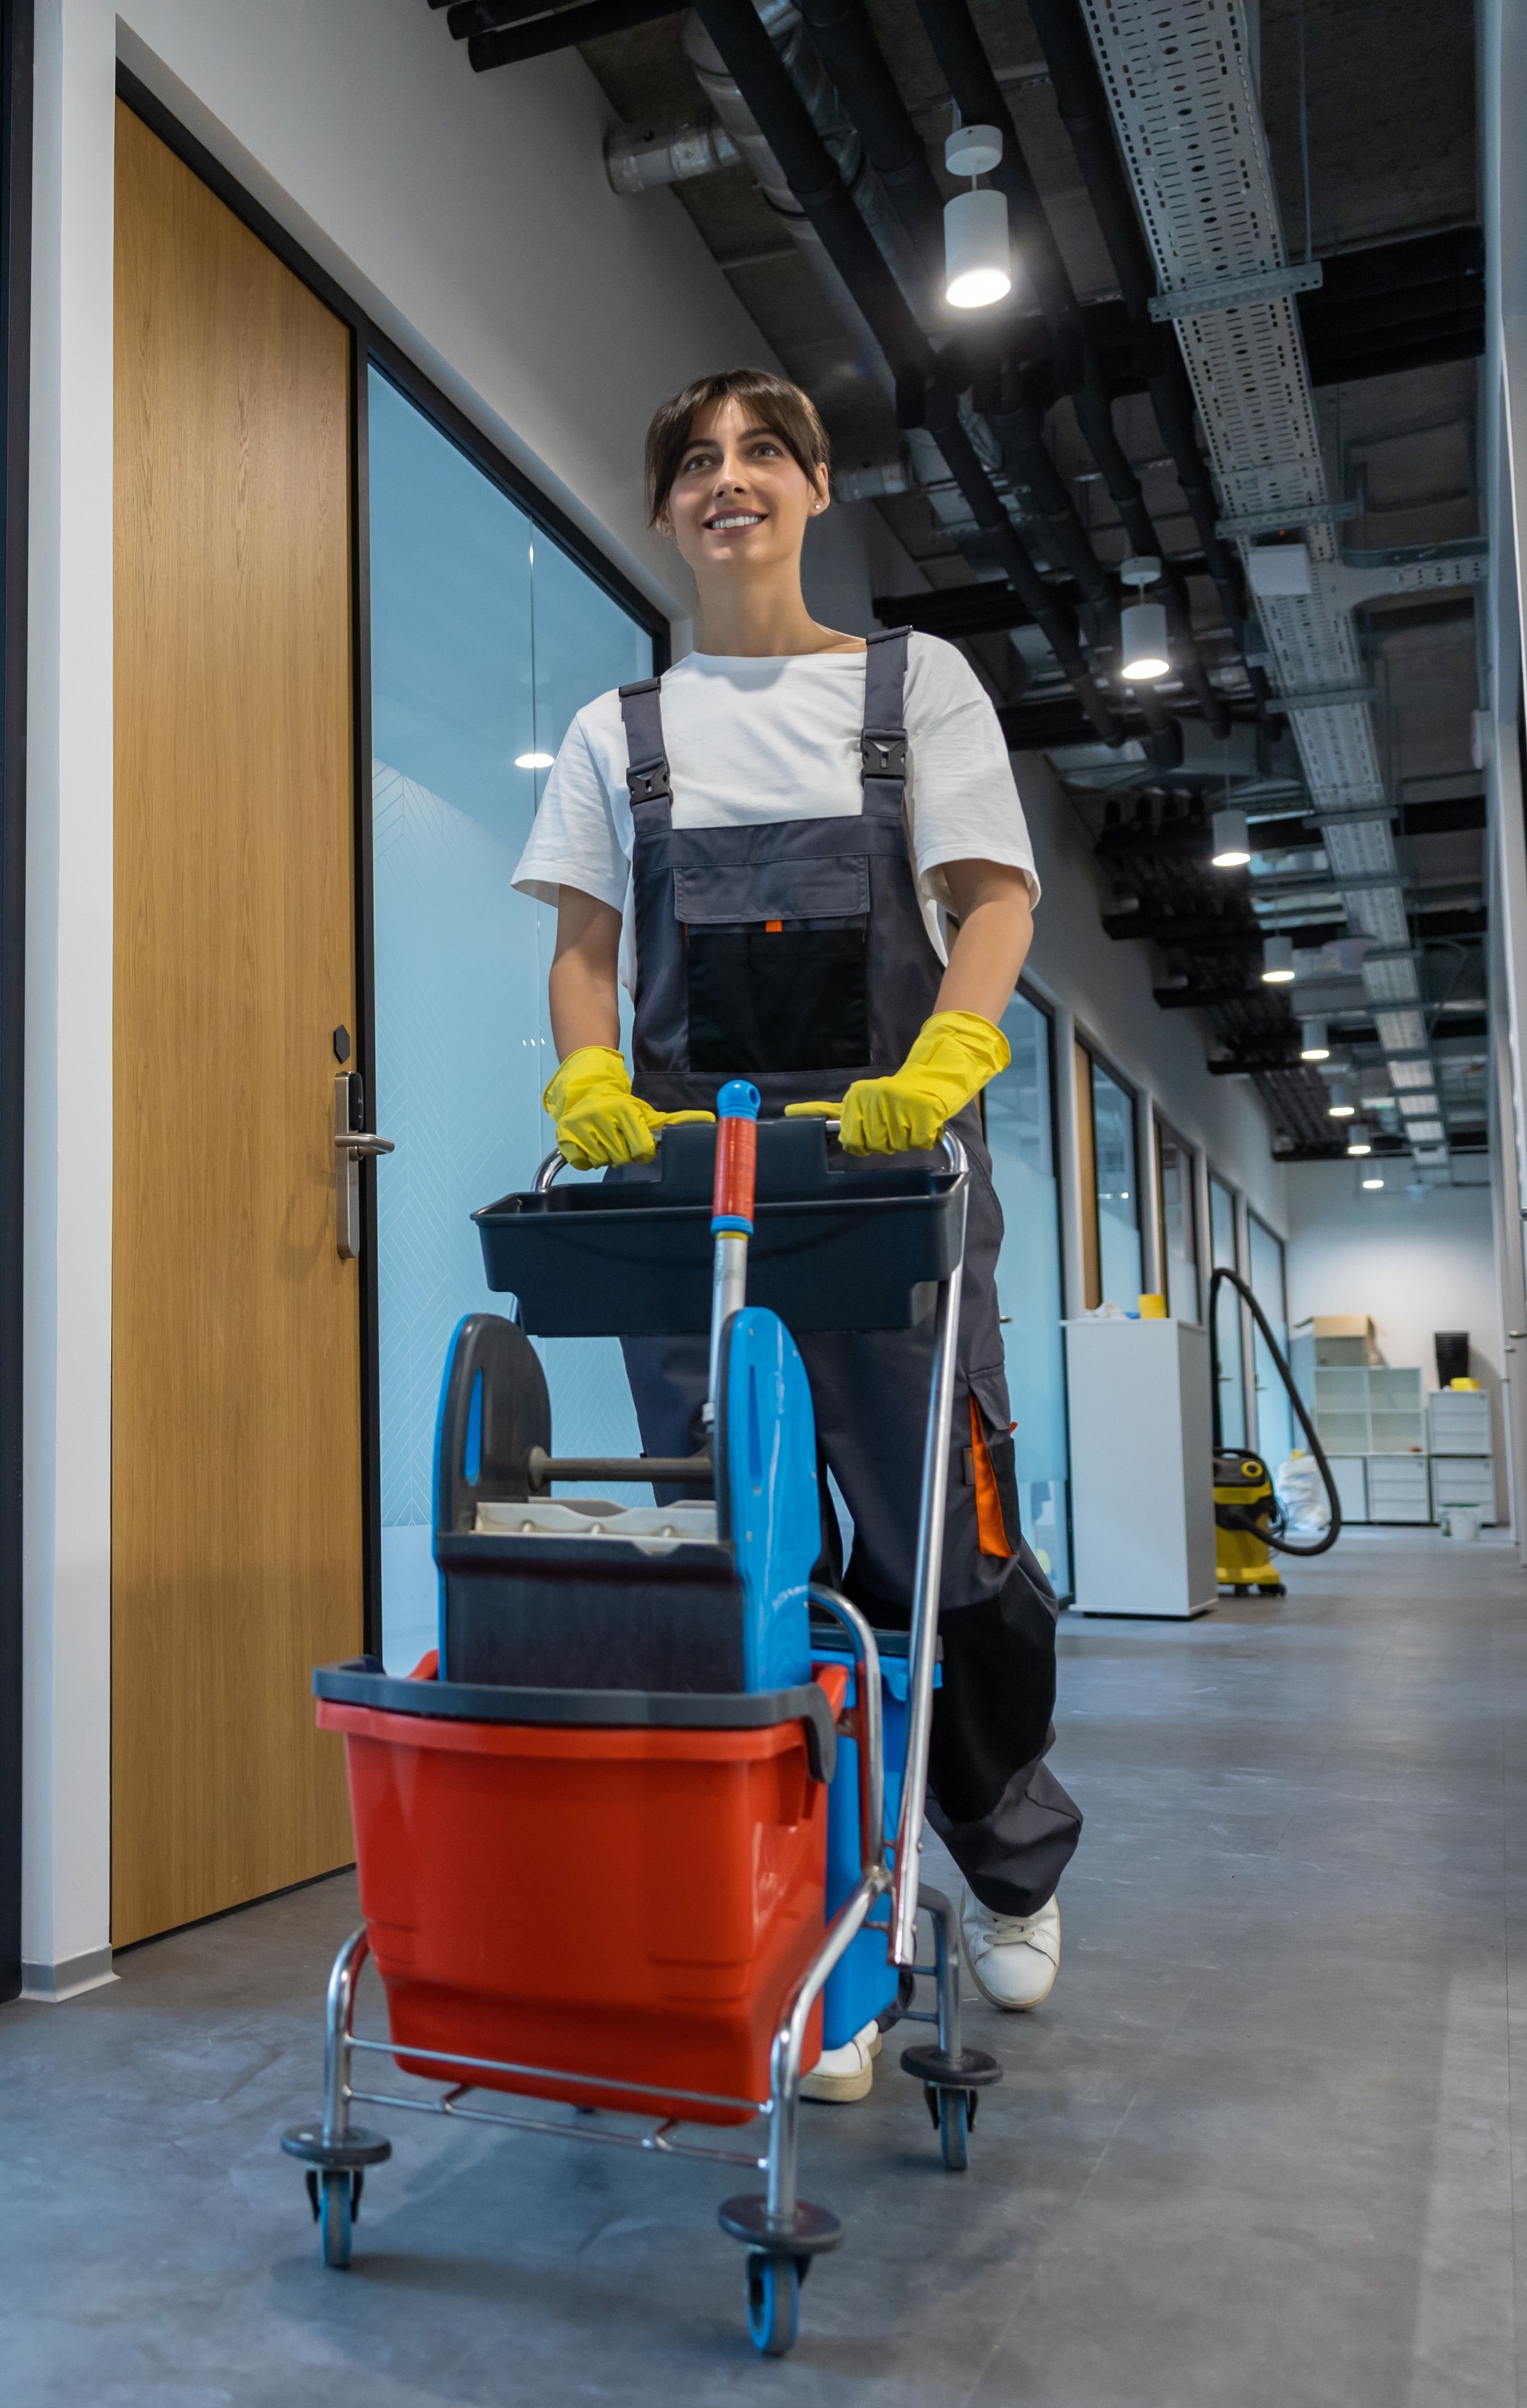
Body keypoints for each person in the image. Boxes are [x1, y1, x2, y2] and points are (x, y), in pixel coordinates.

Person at [510, 367, 1080, 2102]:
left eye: (764, 453)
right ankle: (813, 1911)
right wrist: (589, 1089)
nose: (729, 480)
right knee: (735, 1555)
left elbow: (993, 901)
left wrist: (953, 1055)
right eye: (697, 461)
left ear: (819, 488)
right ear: (668, 508)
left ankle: (997, 1864)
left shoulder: (916, 690)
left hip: (896, 1185)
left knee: (941, 1550)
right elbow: (588, 948)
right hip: (695, 1195)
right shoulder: (627, 733)